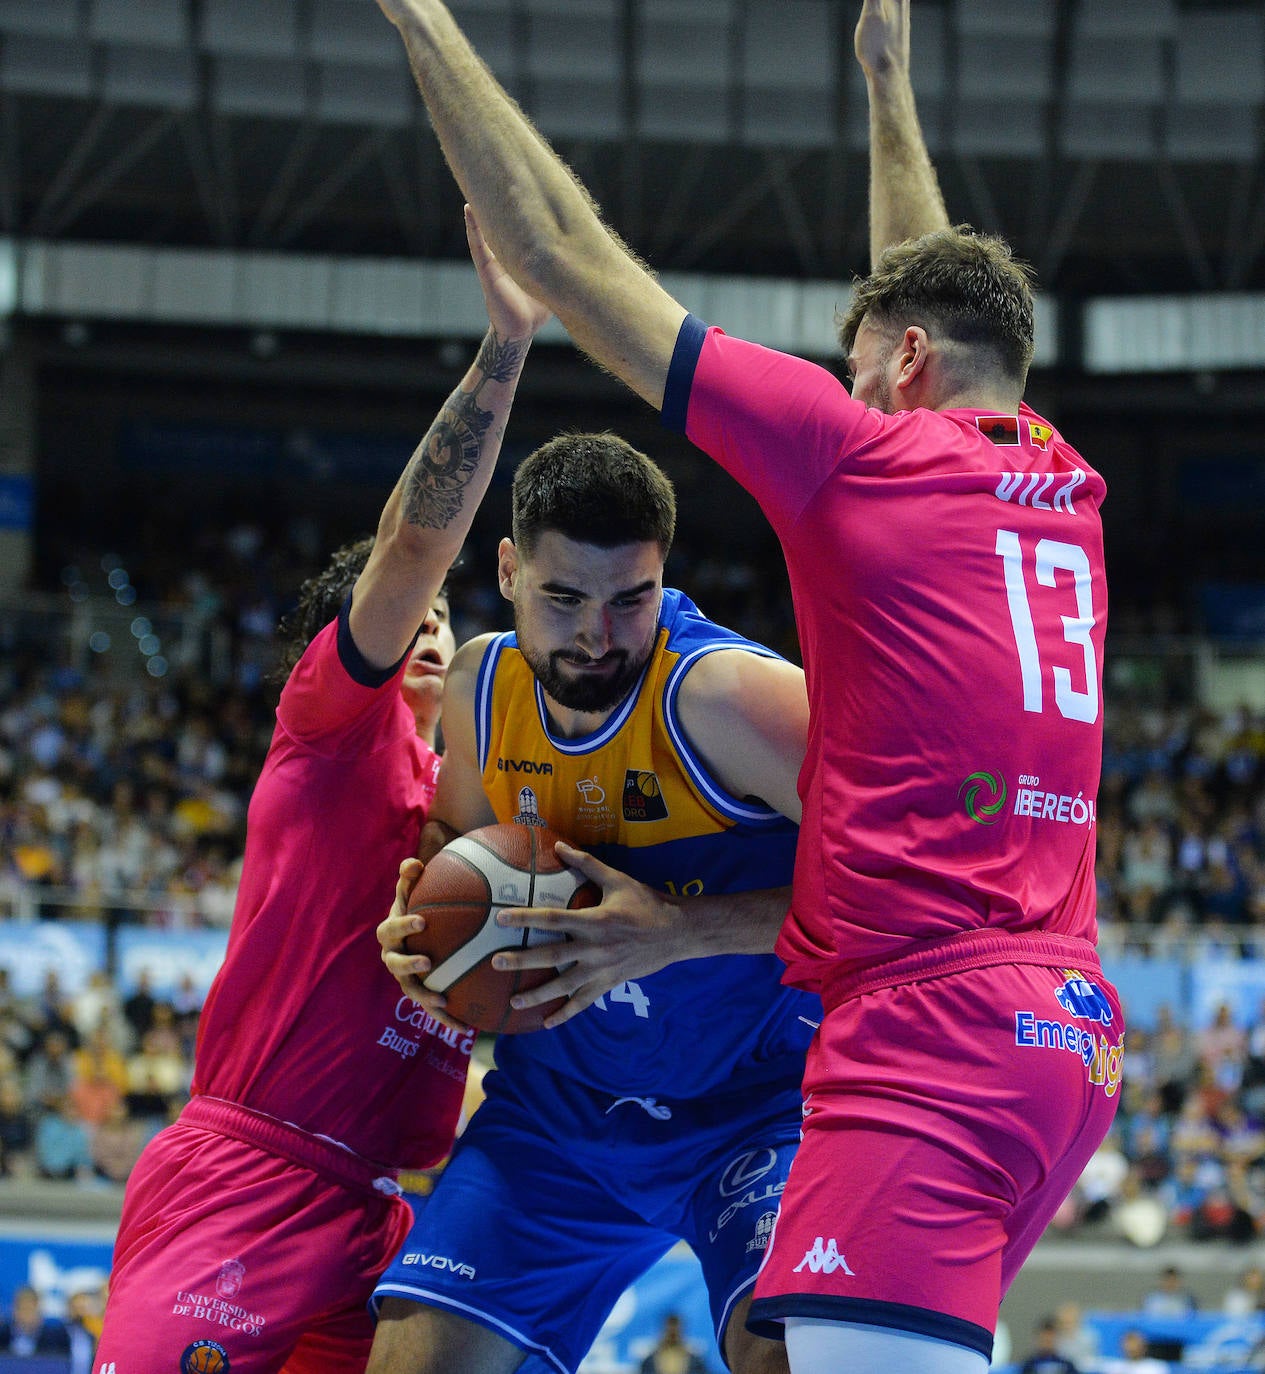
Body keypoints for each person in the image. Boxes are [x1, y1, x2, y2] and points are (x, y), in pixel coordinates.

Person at [370, 0, 1125, 1370]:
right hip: (1060, 1025)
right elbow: (926, 281)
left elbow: (553, 246)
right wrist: (888, 85)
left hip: (924, 1027)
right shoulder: (1057, 479)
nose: (849, 387)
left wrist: (419, 18)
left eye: (860, 367)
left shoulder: (858, 458)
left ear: (898, 367)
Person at [93, 210, 550, 1374]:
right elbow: (408, 545)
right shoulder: (331, 731)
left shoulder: (489, 812)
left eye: (457, 617)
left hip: (383, 1213)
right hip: (243, 1180)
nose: (442, 632)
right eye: (426, 619)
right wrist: (504, 352)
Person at [370, 433, 815, 1374]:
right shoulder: (478, 687)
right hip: (560, 1113)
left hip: (759, 1107)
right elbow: (452, 841)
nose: (595, 636)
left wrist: (676, 931)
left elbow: (926, 882)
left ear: (665, 578)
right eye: (563, 597)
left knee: (789, 1358)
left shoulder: (730, 698)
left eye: (630, 600)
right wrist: (426, 929)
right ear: (507, 571)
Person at [0, 1284, 72, 1356]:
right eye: (23, 1309)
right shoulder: (3, 1335)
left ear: (39, 1311)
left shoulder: (55, 1338)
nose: (26, 1315)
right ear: (14, 1311)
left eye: (30, 1310)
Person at [641, 1312, 710, 1374]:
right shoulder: (648, 1362)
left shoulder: (696, 1362)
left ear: (681, 1331)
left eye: (675, 1332)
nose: (672, 1334)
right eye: (670, 1331)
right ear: (663, 1330)